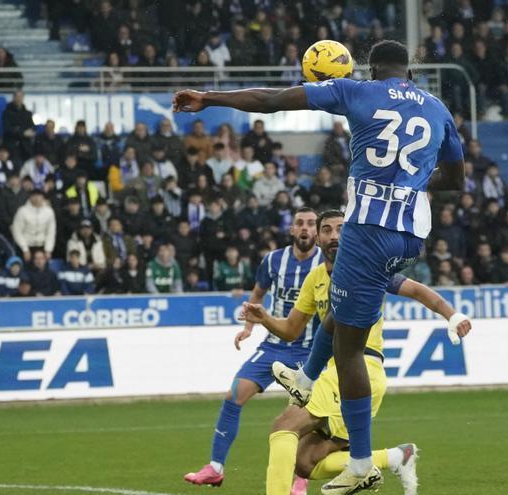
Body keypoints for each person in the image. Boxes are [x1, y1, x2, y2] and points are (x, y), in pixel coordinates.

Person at [175, 40, 465, 493]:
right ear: (407, 71)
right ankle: (307, 377)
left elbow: (271, 101)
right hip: (412, 236)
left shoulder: (357, 92)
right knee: (340, 306)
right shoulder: (437, 108)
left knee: (347, 351)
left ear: (370, 68)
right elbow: (457, 179)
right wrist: (412, 183)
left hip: (368, 229)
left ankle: (362, 464)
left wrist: (208, 98)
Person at [239, 211, 472, 495]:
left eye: (340, 229)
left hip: (360, 366)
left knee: (283, 426)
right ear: (318, 237)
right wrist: (264, 318)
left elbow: (418, 291)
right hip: (338, 369)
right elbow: (291, 329)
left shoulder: (366, 267)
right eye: (326, 230)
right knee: (305, 461)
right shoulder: (315, 278)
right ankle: (396, 457)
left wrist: (452, 315)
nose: (334, 235)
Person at [183, 208, 321, 488]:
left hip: (310, 350)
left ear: (317, 231)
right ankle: (215, 467)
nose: (305, 228)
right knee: (234, 395)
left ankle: (299, 480)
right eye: (299, 224)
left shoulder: (327, 263)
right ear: (292, 230)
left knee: (303, 413)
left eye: (310, 224)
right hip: (274, 345)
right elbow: (258, 293)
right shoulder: (272, 261)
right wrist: (248, 327)